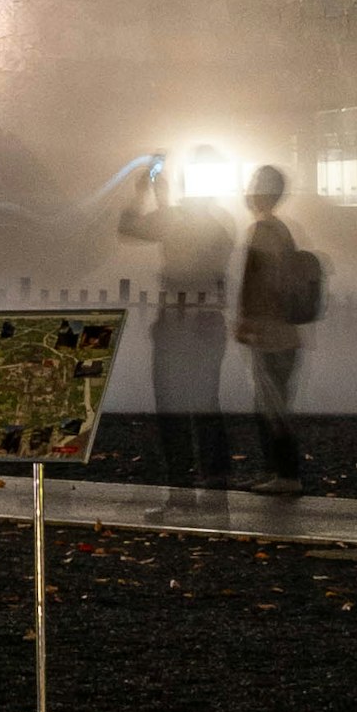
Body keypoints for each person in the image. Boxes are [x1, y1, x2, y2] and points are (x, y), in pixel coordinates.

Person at [116, 158, 236, 484]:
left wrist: (145, 194)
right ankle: (215, 473)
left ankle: (181, 476)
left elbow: (130, 227)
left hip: (179, 320)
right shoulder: (224, 220)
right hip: (208, 321)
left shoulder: (177, 218)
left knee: (172, 401)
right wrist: (163, 202)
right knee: (205, 399)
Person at [233, 162, 325, 487]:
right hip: (288, 332)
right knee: (274, 402)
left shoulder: (261, 230)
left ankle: (286, 475)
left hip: (268, 332)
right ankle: (277, 472)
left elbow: (253, 280)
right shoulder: (283, 230)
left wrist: (244, 320)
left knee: (271, 406)